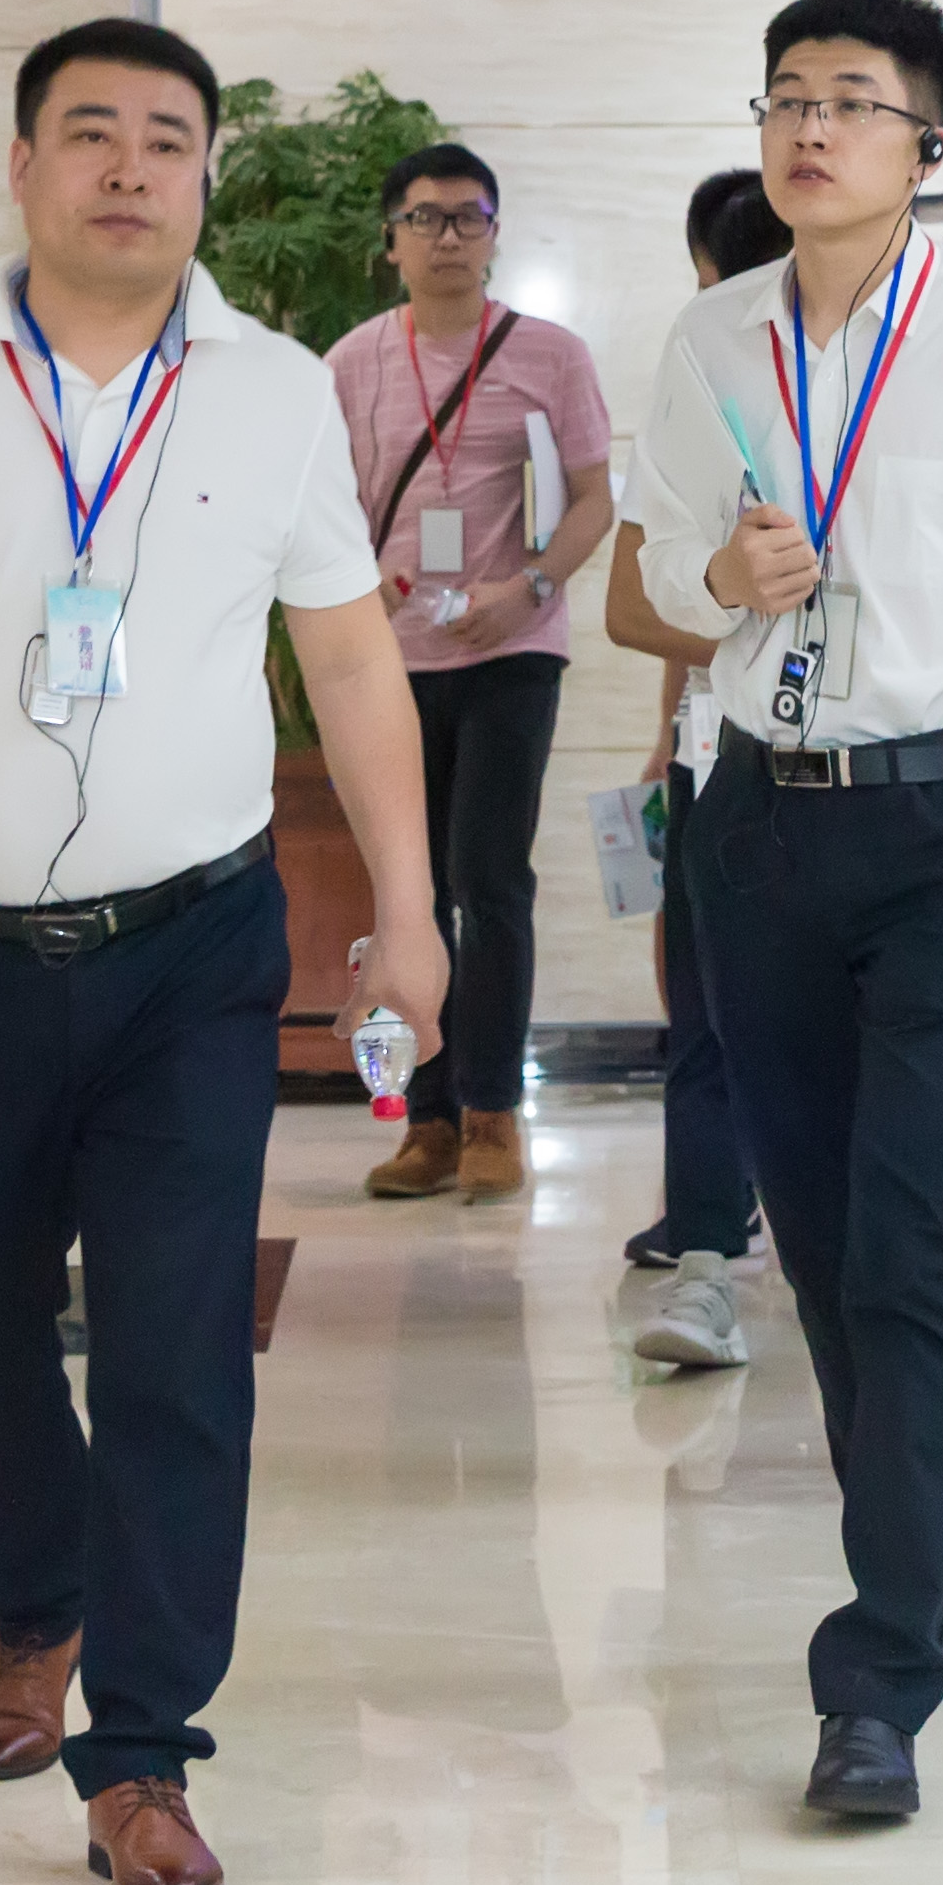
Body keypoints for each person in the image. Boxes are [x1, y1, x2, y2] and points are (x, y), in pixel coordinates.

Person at [0, 16, 448, 1885]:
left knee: (172, 1333)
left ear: (205, 173)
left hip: (191, 950)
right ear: (22, 167)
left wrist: (407, 905)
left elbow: (352, 656)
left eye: (166, 137)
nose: (130, 166)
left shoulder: (276, 389)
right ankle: (34, 1597)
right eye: (90, 132)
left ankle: (141, 1748)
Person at [633, 0, 943, 1824]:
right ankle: (923, 1549)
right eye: (785, 97)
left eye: (852, 101)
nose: (810, 128)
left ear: (928, 147)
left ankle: (877, 1676)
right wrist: (718, 573)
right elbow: (652, 579)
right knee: (827, 1236)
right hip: (758, 825)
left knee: (919, 1230)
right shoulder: (709, 334)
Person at [334, 140, 616, 1208]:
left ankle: (493, 1111)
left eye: (468, 218)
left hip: (510, 652)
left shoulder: (551, 355)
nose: (447, 237)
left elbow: (594, 500)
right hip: (389, 662)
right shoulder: (353, 361)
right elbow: (323, 511)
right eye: (425, 218)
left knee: (489, 882)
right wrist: (357, 584)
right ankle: (427, 1122)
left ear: (495, 236)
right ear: (391, 240)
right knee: (409, 892)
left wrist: (529, 587)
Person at [614, 171, 791, 1366]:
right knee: (705, 1020)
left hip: (852, 762)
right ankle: (707, 1263)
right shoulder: (698, 385)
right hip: (714, 755)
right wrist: (670, 726)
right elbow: (639, 604)